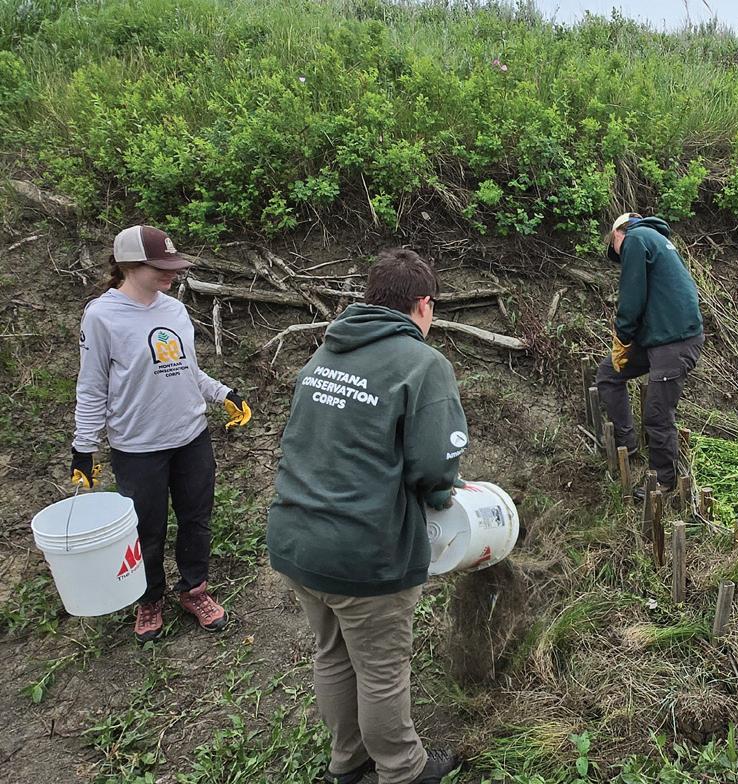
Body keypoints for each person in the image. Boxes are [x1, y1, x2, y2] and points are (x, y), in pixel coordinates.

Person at [267, 248, 464, 784]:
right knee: (381, 669)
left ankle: (348, 763)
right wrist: (442, 493)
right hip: (363, 549)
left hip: (296, 536)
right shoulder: (423, 364)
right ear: (423, 304)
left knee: (332, 654)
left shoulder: (326, 352)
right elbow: (434, 464)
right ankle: (402, 771)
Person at [71, 225, 252, 643]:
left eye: (174, 265)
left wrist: (224, 394)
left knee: (196, 519)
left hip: (191, 437)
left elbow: (188, 370)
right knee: (146, 530)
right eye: (161, 266)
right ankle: (149, 599)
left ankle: (194, 590)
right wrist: (84, 446)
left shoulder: (173, 310)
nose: (171, 273)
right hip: (138, 447)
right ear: (129, 265)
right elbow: (92, 386)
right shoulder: (102, 316)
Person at [596, 212, 704, 500]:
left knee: (657, 415)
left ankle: (664, 482)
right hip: (660, 337)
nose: (620, 257)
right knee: (609, 373)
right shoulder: (656, 240)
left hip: (675, 342)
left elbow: (632, 296)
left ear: (617, 233)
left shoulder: (635, 238)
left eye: (615, 249)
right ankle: (627, 443)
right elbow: (652, 298)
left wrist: (623, 336)